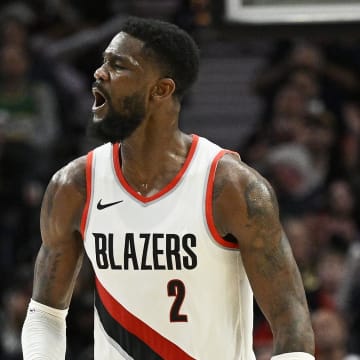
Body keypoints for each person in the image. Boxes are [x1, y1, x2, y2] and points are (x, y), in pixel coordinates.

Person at [21, 16, 315, 360]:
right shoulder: (74, 186)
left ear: (161, 90)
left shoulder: (232, 188)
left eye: (118, 65)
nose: (100, 73)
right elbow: (45, 314)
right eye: (103, 62)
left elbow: (291, 321)